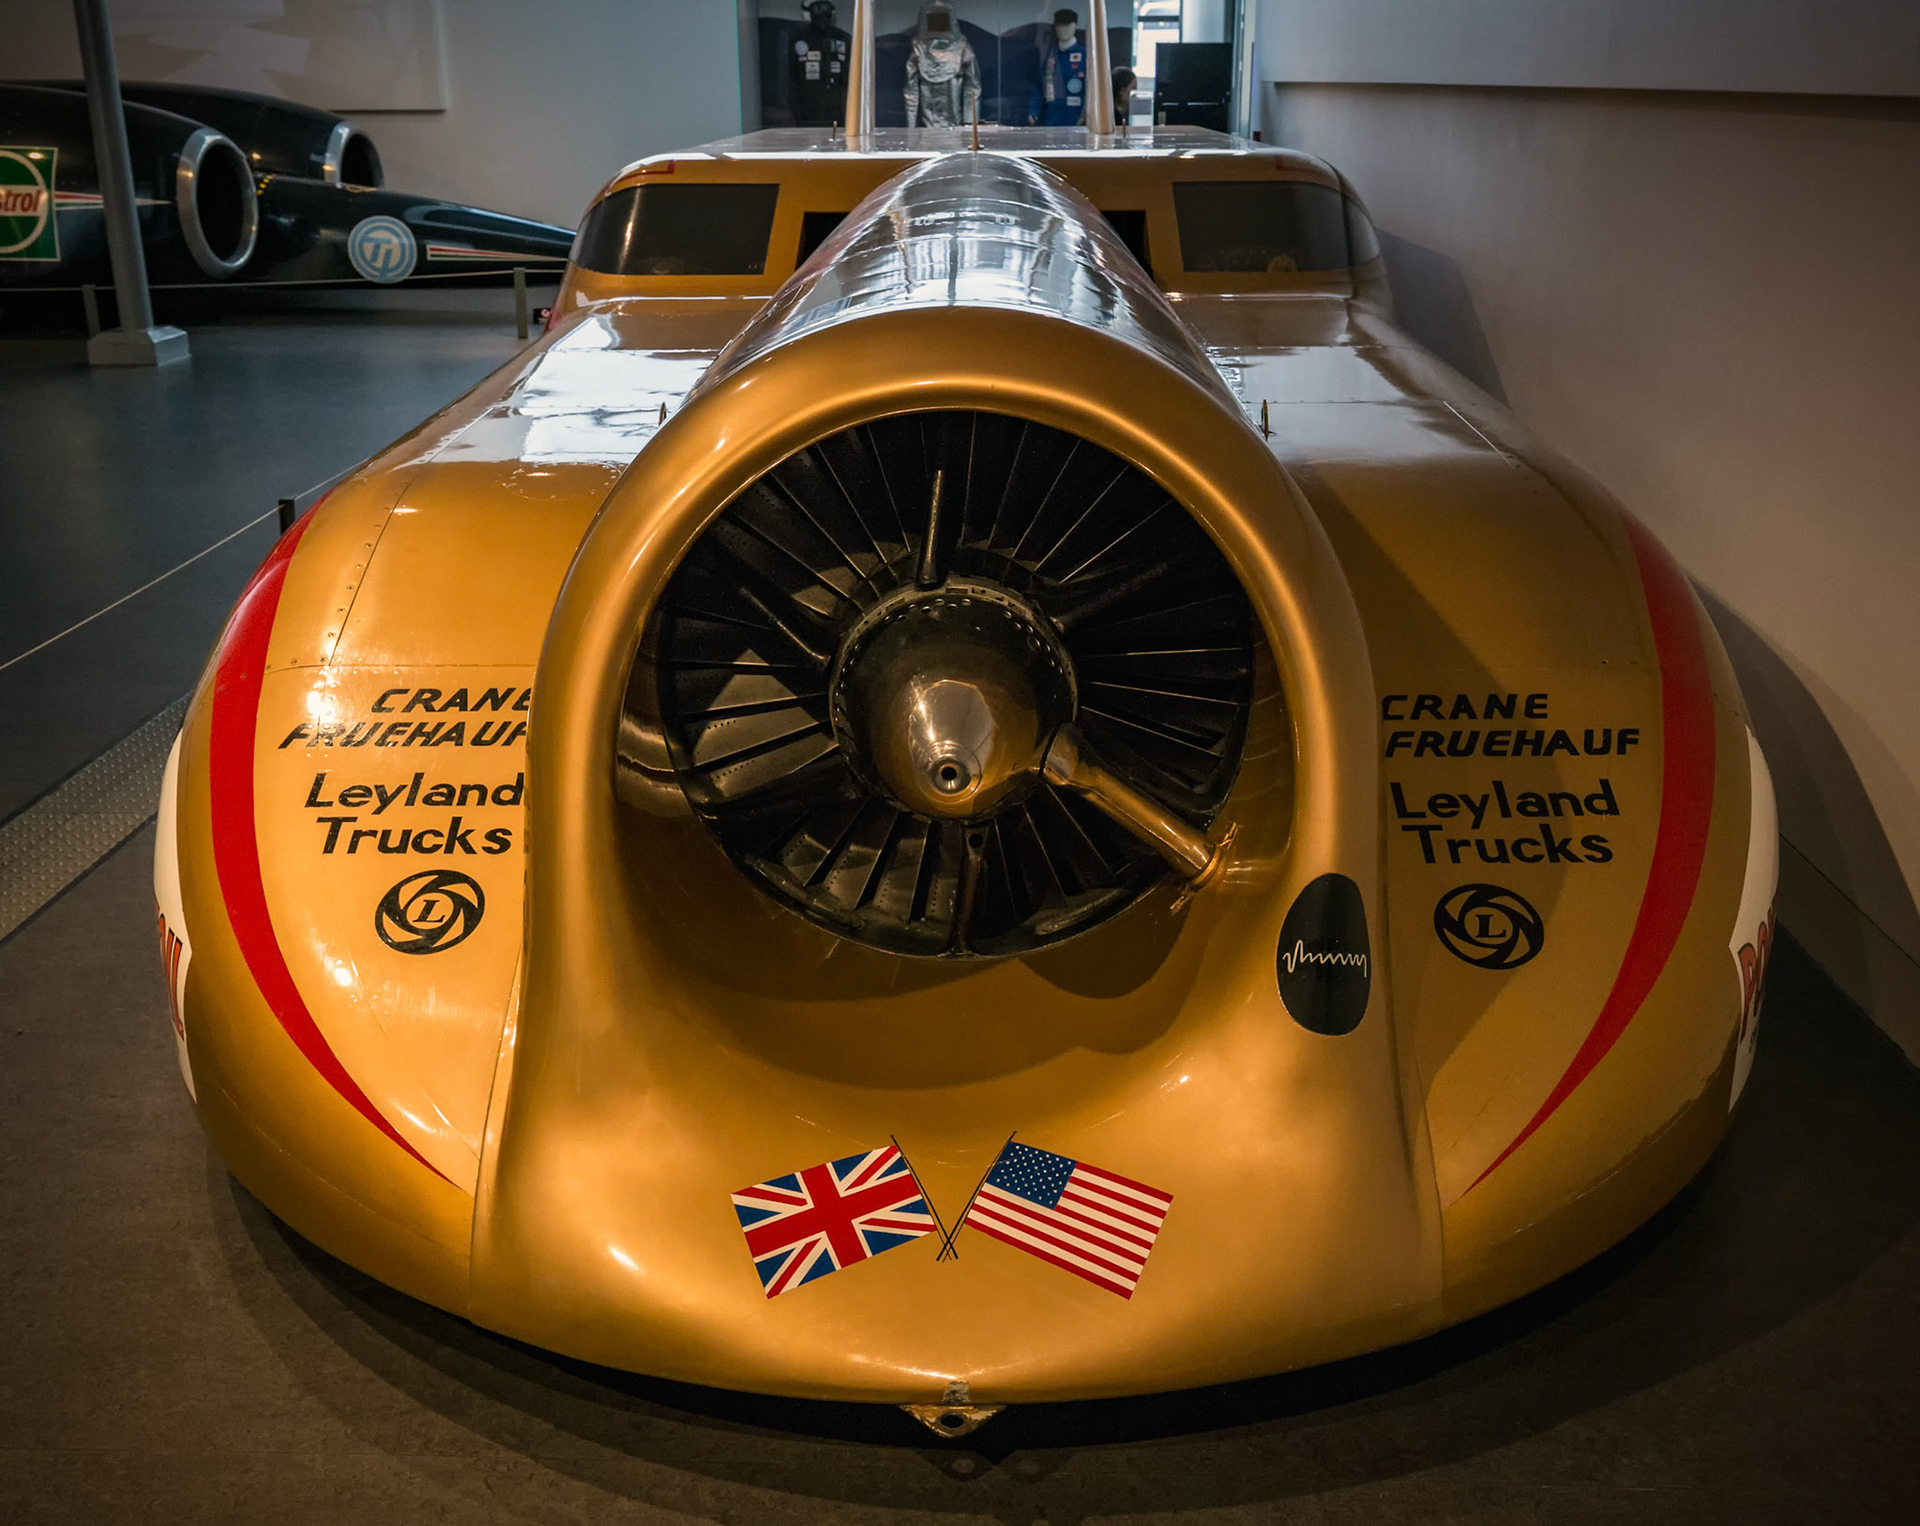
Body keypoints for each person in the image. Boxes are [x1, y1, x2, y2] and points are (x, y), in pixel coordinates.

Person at [904, 1, 981, 128]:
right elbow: (973, 88)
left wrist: (970, 125)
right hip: (946, 125)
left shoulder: (918, 49)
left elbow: (972, 88)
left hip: (939, 126)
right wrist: (970, 126)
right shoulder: (962, 47)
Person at [789, 1, 850, 128]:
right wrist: (797, 114)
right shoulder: (798, 40)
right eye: (817, 9)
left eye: (826, 8)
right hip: (808, 111)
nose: (822, 14)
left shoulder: (843, 39)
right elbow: (792, 81)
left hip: (837, 110)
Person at [1029, 8, 1087, 126]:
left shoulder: (1085, 56)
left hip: (1076, 118)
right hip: (1052, 117)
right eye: (1059, 26)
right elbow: (1039, 85)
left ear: (1074, 26)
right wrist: (1033, 110)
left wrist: (1087, 114)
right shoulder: (1050, 56)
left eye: (1067, 25)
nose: (1062, 30)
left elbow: (1092, 89)